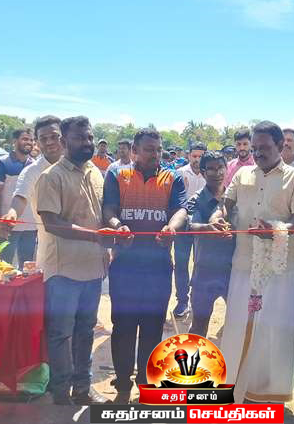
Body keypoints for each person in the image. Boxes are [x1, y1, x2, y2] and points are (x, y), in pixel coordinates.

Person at [211, 120, 294, 404]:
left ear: (280, 145)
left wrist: (277, 230)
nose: (257, 153)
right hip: (243, 263)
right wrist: (218, 217)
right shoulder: (242, 174)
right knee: (236, 326)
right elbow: (226, 204)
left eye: (264, 147)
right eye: (254, 148)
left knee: (272, 331)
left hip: (277, 269)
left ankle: (267, 394)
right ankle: (235, 389)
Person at [103, 128, 189, 403]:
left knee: (152, 327)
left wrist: (171, 227)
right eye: (149, 149)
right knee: (123, 327)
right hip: (124, 266)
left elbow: (181, 210)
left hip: (158, 267)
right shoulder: (117, 175)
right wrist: (117, 225)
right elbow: (108, 209)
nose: (156, 154)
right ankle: (122, 384)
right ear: (134, 152)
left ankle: (146, 383)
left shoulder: (173, 177)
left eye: (159, 149)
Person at [34, 116, 110, 405]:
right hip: (63, 272)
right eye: (80, 138)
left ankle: (82, 388)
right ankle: (60, 392)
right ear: (64, 142)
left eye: (89, 137)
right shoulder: (51, 177)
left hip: (93, 268)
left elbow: (101, 216)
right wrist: (95, 236)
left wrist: (110, 240)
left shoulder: (95, 173)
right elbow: (52, 223)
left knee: (85, 331)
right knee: (60, 334)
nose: (87, 143)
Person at [2, 116, 65, 265]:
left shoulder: (80, 166)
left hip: (84, 254)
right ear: (37, 142)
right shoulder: (32, 171)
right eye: (43, 139)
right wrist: (12, 214)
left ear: (64, 137)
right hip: (52, 256)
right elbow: (20, 197)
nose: (49, 142)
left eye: (54, 137)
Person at [186, 151, 235, 337]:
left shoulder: (236, 197)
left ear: (226, 169)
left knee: (238, 324)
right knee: (199, 326)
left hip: (234, 271)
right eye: (211, 169)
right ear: (203, 172)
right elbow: (191, 225)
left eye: (220, 167)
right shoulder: (196, 199)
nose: (217, 173)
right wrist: (208, 227)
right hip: (205, 272)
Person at [171, 142, 207, 318]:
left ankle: (197, 299)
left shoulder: (210, 173)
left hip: (203, 226)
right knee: (181, 264)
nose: (197, 159)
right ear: (188, 156)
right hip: (183, 225)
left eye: (200, 156)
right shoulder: (180, 173)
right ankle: (182, 300)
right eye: (194, 156)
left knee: (201, 263)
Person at [0, 128, 35, 268]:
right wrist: (0, 221)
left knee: (28, 266)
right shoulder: (2, 162)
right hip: (9, 225)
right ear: (15, 141)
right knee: (5, 265)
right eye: (25, 139)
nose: (29, 142)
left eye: (31, 140)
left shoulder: (35, 164)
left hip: (31, 225)